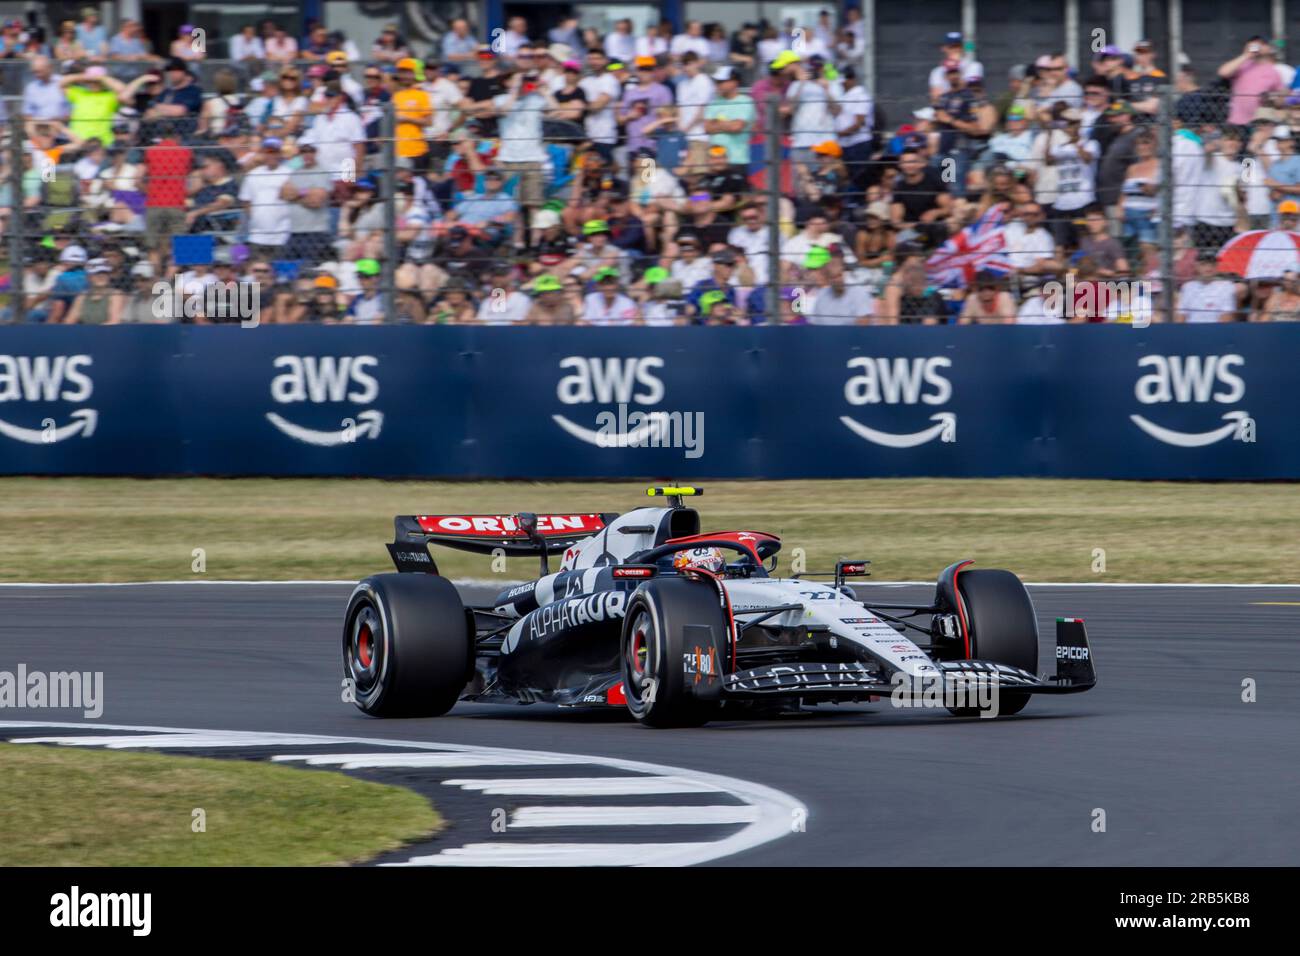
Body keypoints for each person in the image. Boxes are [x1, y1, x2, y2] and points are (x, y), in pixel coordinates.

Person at [1218, 37, 1285, 127]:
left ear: (1267, 48)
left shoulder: (1273, 71)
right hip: (1237, 121)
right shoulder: (1242, 65)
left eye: (1260, 44)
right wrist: (1246, 55)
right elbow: (1223, 72)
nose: (1257, 48)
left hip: (1259, 122)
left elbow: (1280, 98)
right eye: (1253, 45)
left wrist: (1271, 99)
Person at [1177, 252, 1240, 322]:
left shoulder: (1226, 286)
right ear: (1196, 267)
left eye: (1212, 264)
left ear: (1216, 266)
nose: (1208, 268)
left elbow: (1226, 315)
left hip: (1216, 330)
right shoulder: (1188, 287)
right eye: (1203, 264)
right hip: (1191, 329)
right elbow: (1182, 315)